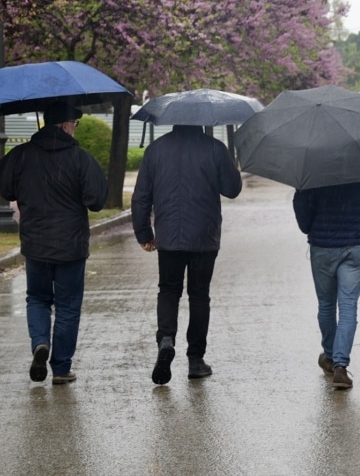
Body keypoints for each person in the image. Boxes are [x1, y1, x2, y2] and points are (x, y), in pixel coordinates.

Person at [0, 101, 108, 385]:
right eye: (75, 123)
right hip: (71, 245)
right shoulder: (80, 158)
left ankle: (39, 343)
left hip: (35, 243)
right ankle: (61, 368)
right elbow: (97, 200)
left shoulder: (20, 155)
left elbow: (5, 188)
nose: (76, 129)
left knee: (36, 298)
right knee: (68, 305)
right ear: (64, 125)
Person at [131, 124, 242, 385]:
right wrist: (231, 159)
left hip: (169, 236)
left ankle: (166, 338)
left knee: (168, 290)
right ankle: (195, 360)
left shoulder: (156, 150)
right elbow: (232, 189)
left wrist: (144, 233)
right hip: (204, 236)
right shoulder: (215, 148)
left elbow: (141, 196)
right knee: (199, 296)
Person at [293, 180, 360, 390]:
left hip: (322, 247)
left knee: (326, 305)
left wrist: (301, 194)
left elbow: (304, 223)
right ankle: (341, 365)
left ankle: (330, 357)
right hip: (355, 246)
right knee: (348, 306)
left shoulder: (313, 173)